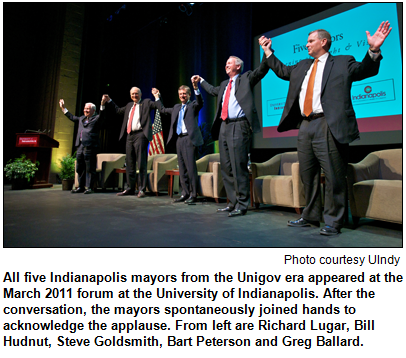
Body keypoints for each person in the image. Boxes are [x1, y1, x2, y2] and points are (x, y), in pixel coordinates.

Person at [259, 21, 392, 236]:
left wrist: (374, 49)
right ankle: (310, 215)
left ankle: (333, 220)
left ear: (323, 42)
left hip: (328, 124)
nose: (306, 45)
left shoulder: (341, 62)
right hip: (305, 125)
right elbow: (282, 71)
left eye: (310, 41)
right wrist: (267, 51)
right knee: (307, 173)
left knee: (333, 174)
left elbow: (364, 70)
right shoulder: (302, 65)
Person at [192, 54, 272, 217]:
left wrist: (266, 52)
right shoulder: (223, 84)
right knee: (226, 166)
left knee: (238, 166)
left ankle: (242, 204)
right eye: (226, 63)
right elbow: (213, 90)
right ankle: (232, 202)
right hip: (224, 126)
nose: (226, 65)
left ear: (238, 66)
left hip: (239, 125)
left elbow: (262, 70)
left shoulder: (246, 78)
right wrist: (200, 82)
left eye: (230, 63)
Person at [102, 87, 162, 197]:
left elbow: (158, 106)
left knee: (141, 163)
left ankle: (142, 189)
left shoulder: (146, 102)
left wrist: (157, 96)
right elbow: (118, 111)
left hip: (140, 135)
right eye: (133, 94)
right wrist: (109, 100)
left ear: (140, 94)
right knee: (129, 163)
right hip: (130, 135)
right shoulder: (129, 105)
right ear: (130, 95)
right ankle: (130, 188)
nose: (134, 96)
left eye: (136, 94)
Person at [154, 79, 204, 204]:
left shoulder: (193, 105)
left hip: (189, 139)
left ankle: (193, 194)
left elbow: (200, 102)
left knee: (191, 169)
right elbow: (163, 110)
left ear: (188, 95)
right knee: (182, 168)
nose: (182, 96)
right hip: (179, 139)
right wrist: (157, 97)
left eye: (184, 94)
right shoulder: (176, 107)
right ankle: (185, 193)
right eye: (180, 94)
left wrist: (196, 88)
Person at [59, 98, 108, 194]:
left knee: (90, 168)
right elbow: (72, 117)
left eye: (88, 109)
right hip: (80, 146)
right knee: (79, 167)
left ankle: (89, 187)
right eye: (85, 108)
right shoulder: (82, 118)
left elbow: (102, 116)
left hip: (90, 146)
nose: (86, 110)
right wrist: (63, 108)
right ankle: (80, 187)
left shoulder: (97, 118)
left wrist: (102, 104)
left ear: (93, 110)